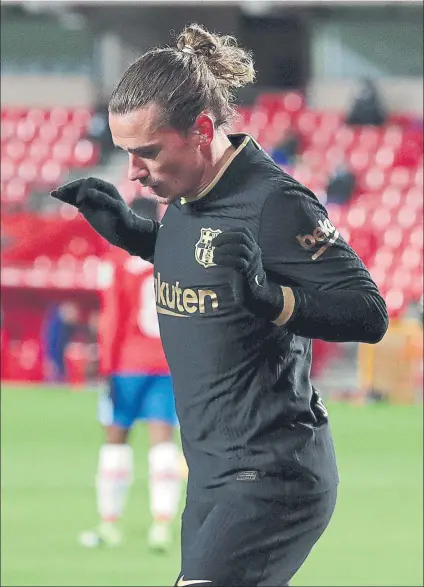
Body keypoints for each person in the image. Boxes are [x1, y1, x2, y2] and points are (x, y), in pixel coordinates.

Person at [52, 23, 388, 586]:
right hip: (211, 474)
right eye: (126, 154)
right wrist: (135, 235)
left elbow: (368, 313)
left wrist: (270, 298)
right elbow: (209, 265)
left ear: (202, 130)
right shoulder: (185, 191)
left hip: (272, 475)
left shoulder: (275, 203)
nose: (134, 171)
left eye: (147, 152)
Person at [79, 196, 182, 551]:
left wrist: (105, 367)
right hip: (168, 362)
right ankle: (162, 526)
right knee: (163, 442)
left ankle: (109, 526)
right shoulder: (173, 258)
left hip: (126, 365)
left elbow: (112, 319)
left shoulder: (119, 260)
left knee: (116, 441)